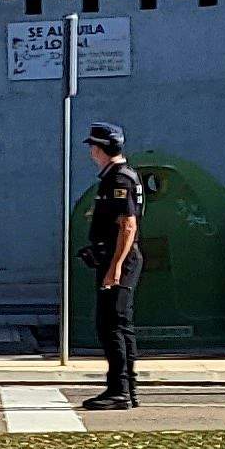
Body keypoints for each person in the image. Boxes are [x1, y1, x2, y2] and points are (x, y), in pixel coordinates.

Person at [81, 122, 145, 412]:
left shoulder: (119, 180)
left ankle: (120, 390)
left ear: (99, 149)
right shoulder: (118, 176)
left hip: (118, 261)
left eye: (93, 147)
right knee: (117, 326)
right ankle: (124, 388)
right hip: (113, 258)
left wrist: (115, 267)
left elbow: (128, 226)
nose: (91, 152)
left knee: (113, 327)